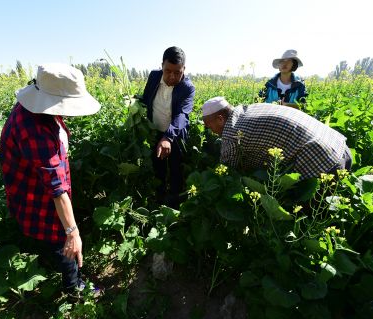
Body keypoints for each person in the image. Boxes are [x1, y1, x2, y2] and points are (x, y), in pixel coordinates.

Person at [0, 63, 101, 297]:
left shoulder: (37, 110)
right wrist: (73, 232)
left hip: (34, 183)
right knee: (61, 235)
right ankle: (74, 289)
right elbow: (55, 188)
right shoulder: (33, 126)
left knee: (57, 230)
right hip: (35, 192)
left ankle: (60, 269)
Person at [201, 97, 352, 179]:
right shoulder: (248, 109)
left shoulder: (232, 132)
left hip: (324, 164)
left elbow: (228, 174)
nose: (209, 130)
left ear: (220, 119)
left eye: (209, 125)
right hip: (339, 146)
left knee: (307, 218)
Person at [140, 46, 196, 209]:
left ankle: (174, 207)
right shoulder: (153, 76)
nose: (172, 76)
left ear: (184, 69)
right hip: (155, 132)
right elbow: (146, 98)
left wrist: (168, 137)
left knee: (176, 169)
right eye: (167, 71)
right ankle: (158, 200)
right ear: (161, 66)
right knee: (158, 168)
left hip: (175, 136)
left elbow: (181, 115)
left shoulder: (187, 87)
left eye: (177, 72)